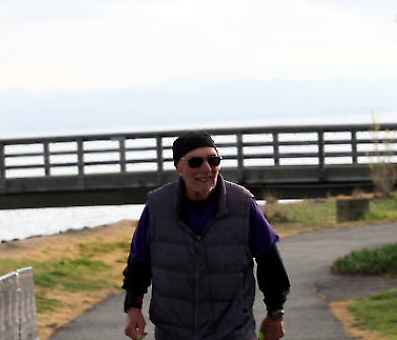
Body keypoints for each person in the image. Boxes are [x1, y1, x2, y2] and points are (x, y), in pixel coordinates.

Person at [122, 130, 290, 340]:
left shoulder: (243, 204)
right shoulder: (157, 207)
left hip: (233, 333)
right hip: (173, 334)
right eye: (195, 162)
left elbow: (271, 265)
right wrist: (133, 308)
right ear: (178, 168)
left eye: (213, 160)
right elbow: (138, 265)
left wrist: (275, 313)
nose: (207, 169)